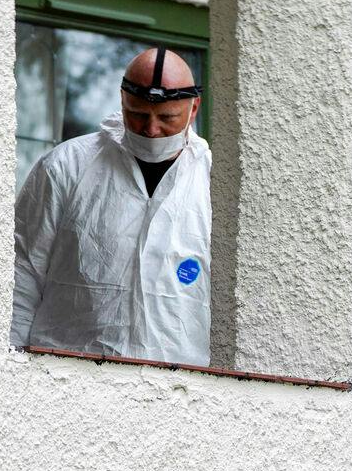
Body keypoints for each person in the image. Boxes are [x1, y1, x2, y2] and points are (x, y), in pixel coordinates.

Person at [11, 48, 212, 367]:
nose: (151, 129)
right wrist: (12, 364)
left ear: (194, 108)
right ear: (122, 99)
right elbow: (22, 273)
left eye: (167, 118)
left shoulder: (213, 183)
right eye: (139, 114)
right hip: (66, 377)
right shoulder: (66, 166)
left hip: (181, 390)